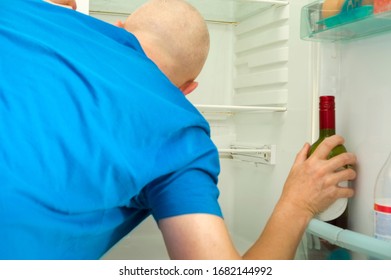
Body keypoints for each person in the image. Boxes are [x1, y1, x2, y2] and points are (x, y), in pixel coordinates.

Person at [0, 0, 356, 260]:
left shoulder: (22, 12)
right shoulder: (182, 133)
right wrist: (298, 202)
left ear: (121, 28)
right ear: (188, 89)